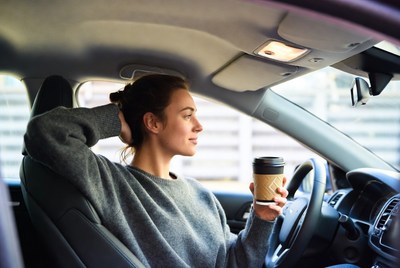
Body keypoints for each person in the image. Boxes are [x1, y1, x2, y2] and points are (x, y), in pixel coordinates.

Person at [24, 74, 288, 267]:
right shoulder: (111, 182)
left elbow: (235, 262)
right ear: (152, 122)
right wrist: (115, 119)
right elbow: (44, 132)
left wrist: (262, 218)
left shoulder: (200, 193)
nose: (199, 126)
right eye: (187, 115)